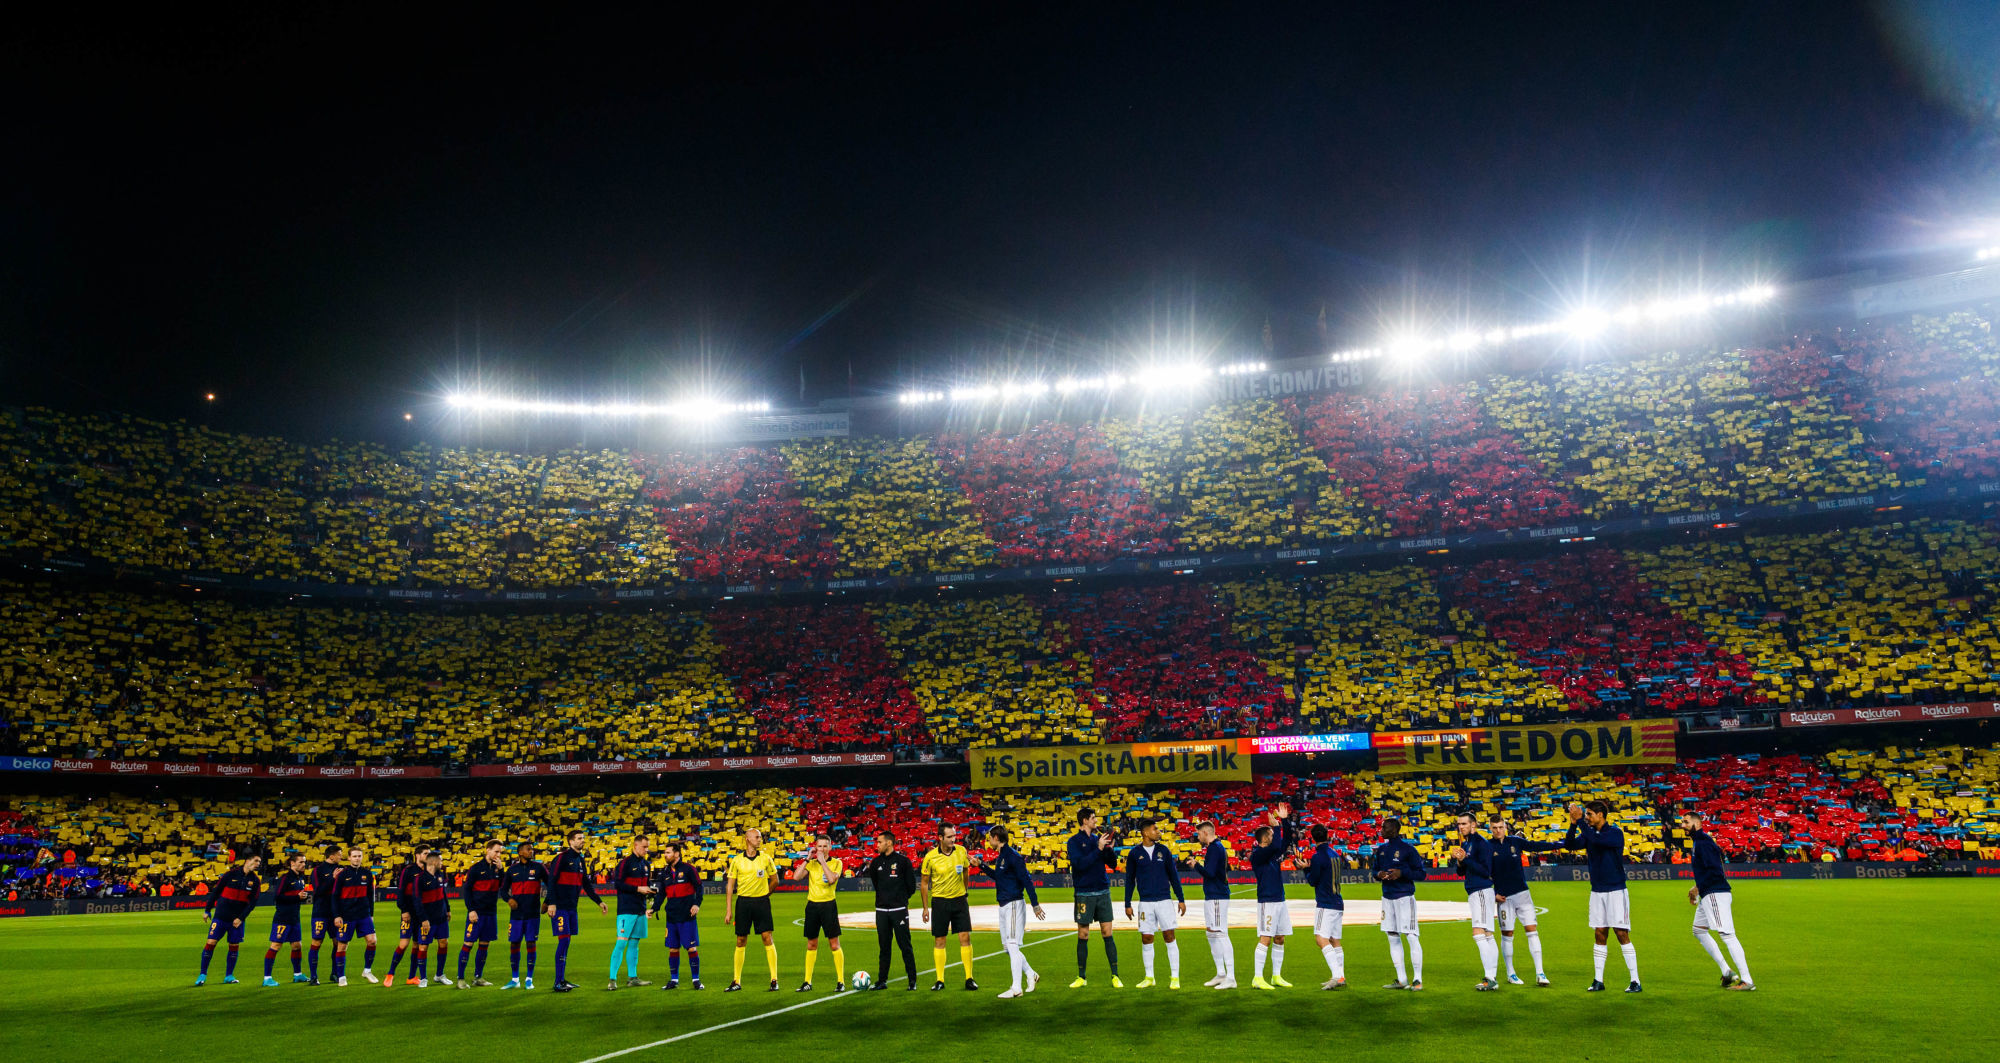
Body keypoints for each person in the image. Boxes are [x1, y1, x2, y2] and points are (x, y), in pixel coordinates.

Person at [1562, 800, 1639, 993]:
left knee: (1621, 933)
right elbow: (1569, 844)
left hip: (1615, 890)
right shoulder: (1589, 833)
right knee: (1599, 933)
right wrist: (1573, 824)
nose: (1587, 818)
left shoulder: (1614, 833)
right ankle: (1598, 980)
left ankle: (1635, 981)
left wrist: (1580, 822)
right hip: (1597, 890)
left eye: (1589, 814)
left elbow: (1596, 841)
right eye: (1585, 814)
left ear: (1600, 815)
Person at [1679, 809, 1755, 991]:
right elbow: (1708, 869)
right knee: (1698, 930)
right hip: (1708, 893)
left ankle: (1747, 980)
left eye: (1686, 822)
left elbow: (1715, 870)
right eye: (1682, 822)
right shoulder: (1699, 842)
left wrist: (1698, 887)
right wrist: (1696, 887)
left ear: (1697, 824)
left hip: (1715, 893)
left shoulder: (1703, 842)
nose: (1682, 826)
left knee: (1727, 935)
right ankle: (1726, 970)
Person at [1490, 816, 1561, 986]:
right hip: (1503, 898)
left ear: (1505, 826)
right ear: (1490, 829)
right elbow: (1482, 872)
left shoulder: (1516, 842)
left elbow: (1536, 846)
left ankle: (1540, 973)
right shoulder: (1487, 847)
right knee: (1508, 934)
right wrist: (1493, 895)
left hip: (1522, 894)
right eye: (1494, 828)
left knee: (1532, 930)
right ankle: (1510, 973)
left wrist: (1560, 844)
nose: (1498, 830)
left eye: (1501, 827)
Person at [975, 825, 1044, 999]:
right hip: (1004, 905)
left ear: (997, 838)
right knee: (1008, 947)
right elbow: (999, 877)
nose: (988, 840)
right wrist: (981, 865)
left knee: (1012, 945)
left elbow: (1027, 881)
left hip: (1014, 904)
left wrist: (1035, 904)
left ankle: (1016, 988)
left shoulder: (1012, 856)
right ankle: (1030, 974)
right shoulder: (1002, 856)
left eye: (990, 837)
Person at [1122, 817, 1185, 989]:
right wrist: (1127, 903)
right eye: (1155, 829)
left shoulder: (1164, 851)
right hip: (1145, 903)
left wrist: (1181, 899)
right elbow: (1129, 880)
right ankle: (1149, 977)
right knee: (1147, 938)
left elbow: (1174, 876)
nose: (1158, 832)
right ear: (1145, 832)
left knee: (1169, 936)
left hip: (1164, 900)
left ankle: (1174, 978)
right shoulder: (1134, 854)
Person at [546, 828, 609, 993]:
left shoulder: (580, 860)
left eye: (583, 838)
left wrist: (599, 901)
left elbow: (586, 884)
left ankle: (562, 979)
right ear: (571, 841)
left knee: (567, 942)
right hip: (560, 907)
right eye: (579, 838)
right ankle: (557, 982)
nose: (583, 840)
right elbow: (551, 880)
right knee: (564, 941)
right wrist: (551, 903)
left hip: (572, 908)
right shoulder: (561, 858)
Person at [856, 830, 919, 990]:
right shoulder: (876, 863)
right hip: (881, 911)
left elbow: (911, 886)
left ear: (889, 843)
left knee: (905, 945)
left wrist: (900, 900)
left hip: (899, 910)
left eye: (879, 842)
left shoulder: (903, 862)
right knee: (884, 947)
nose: (876, 845)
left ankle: (912, 981)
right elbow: (877, 885)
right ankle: (881, 980)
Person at [1065, 807, 1120, 987]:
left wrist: (1109, 849)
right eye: (1093, 818)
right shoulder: (1073, 842)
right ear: (1084, 821)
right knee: (1083, 934)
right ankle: (1081, 977)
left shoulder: (1099, 840)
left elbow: (1112, 864)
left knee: (1107, 932)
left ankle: (1115, 975)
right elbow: (1079, 865)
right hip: (1084, 892)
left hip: (1102, 890)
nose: (1096, 821)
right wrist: (1098, 849)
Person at [919, 823, 976, 991]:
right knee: (940, 940)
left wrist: (965, 891)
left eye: (954, 836)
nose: (953, 839)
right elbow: (924, 884)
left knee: (965, 937)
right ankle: (940, 980)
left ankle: (969, 978)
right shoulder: (930, 857)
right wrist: (925, 908)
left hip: (959, 900)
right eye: (950, 837)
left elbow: (966, 871)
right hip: (940, 902)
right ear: (940, 838)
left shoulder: (961, 851)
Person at [1179, 820, 1235, 989]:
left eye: (1199, 833)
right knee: (1212, 932)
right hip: (1213, 895)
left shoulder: (1214, 848)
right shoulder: (1216, 848)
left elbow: (1210, 873)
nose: (1198, 836)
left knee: (1220, 933)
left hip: (1217, 895)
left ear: (1205, 832)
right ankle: (1221, 974)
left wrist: (1196, 865)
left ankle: (1231, 977)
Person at [1372, 816, 1426, 990]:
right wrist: (1379, 875)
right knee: (1392, 936)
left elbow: (1421, 873)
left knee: (1410, 935)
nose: (1381, 829)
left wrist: (1401, 873)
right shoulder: (1380, 850)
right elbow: (1374, 871)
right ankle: (1402, 979)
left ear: (1393, 830)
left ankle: (1417, 979)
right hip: (1387, 897)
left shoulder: (1408, 850)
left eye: (1384, 827)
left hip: (1404, 897)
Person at [723, 826, 781, 992]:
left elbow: (775, 880)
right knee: (741, 940)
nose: (759, 839)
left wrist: (765, 894)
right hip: (743, 903)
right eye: (756, 837)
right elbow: (730, 886)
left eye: (760, 837)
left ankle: (774, 979)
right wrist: (728, 910)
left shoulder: (766, 858)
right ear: (748, 839)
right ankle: (736, 981)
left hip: (761, 902)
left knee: (766, 937)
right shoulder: (737, 860)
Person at [1247, 802, 1295, 990]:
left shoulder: (1272, 853)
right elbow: (1277, 845)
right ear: (1264, 838)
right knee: (1265, 937)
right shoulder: (1258, 854)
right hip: (1267, 901)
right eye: (1271, 833)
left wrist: (1284, 822)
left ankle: (1276, 976)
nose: (1274, 835)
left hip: (1279, 900)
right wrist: (1276, 824)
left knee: (1280, 937)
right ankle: (1257, 978)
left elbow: (1287, 840)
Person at [789, 833, 845, 992]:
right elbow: (796, 877)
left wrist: (821, 861)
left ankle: (840, 981)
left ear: (830, 847)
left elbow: (832, 879)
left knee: (834, 944)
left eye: (825, 846)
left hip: (828, 905)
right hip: (812, 906)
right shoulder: (811, 863)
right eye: (819, 846)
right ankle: (807, 982)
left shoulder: (836, 863)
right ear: (816, 847)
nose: (822, 849)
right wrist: (808, 858)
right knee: (811, 944)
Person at [196, 851, 262, 986]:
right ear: (247, 861)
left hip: (237, 920)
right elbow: (216, 892)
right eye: (256, 861)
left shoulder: (255, 881)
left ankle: (229, 975)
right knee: (211, 942)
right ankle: (202, 974)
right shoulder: (230, 875)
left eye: (259, 862)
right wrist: (207, 910)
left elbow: (252, 903)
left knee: (234, 946)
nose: (258, 864)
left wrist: (241, 918)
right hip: (220, 916)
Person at [1451, 812, 1501, 991]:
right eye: (1459, 824)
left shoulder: (1481, 844)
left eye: (1464, 824)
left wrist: (1466, 859)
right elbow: (1461, 873)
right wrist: (1459, 861)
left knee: (1478, 932)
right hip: (1476, 890)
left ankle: (1489, 977)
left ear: (1473, 825)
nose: (1461, 827)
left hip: (1481, 890)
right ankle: (1492, 977)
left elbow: (1485, 870)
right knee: (1487, 934)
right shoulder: (1466, 843)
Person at [650, 840, 704, 989]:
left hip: (687, 916)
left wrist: (696, 904)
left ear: (677, 854)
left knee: (691, 948)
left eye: (668, 852)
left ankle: (696, 980)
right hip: (671, 917)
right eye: (665, 853)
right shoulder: (664, 873)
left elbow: (699, 888)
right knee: (673, 948)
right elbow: (661, 895)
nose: (665, 855)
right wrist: (654, 908)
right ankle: (674, 980)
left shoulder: (688, 869)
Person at [607, 834, 656, 990]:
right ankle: (612, 979)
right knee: (621, 943)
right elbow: (618, 884)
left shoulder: (646, 865)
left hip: (640, 910)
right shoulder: (625, 864)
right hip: (626, 910)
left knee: (634, 943)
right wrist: (637, 889)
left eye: (647, 847)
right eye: (644, 847)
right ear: (635, 845)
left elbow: (646, 887)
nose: (646, 850)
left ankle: (632, 977)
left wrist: (650, 901)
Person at [457, 839, 506, 987]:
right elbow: (466, 890)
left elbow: (503, 887)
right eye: (496, 851)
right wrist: (471, 910)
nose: (498, 854)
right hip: (476, 913)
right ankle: (460, 978)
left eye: (500, 852)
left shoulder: (498, 869)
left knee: (484, 944)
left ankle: (478, 977)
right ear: (488, 850)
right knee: (468, 944)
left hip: (491, 913)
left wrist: (502, 870)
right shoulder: (476, 869)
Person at [1302, 823, 1344, 990]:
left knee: (1321, 938)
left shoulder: (1318, 856)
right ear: (1327, 836)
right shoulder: (1335, 854)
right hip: (1337, 902)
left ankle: (1336, 976)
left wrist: (1306, 869)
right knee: (1335, 940)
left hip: (1325, 903)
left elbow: (1313, 880)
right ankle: (1341, 976)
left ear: (1313, 838)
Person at [502, 841, 549, 989]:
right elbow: (503, 890)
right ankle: (515, 979)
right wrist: (509, 899)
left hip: (532, 914)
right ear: (520, 852)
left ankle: (529, 978)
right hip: (516, 915)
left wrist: (547, 902)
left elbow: (551, 885)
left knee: (530, 943)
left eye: (532, 849)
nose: (531, 851)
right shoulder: (512, 870)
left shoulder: (539, 868)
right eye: (528, 849)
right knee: (514, 943)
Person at [330, 846, 379, 986]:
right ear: (349, 858)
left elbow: (371, 897)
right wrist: (337, 915)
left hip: (363, 914)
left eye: (359, 856)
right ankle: (341, 977)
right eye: (355, 856)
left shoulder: (368, 874)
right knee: (342, 946)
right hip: (347, 915)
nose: (357, 858)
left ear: (362, 858)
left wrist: (371, 915)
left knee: (372, 941)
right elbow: (335, 896)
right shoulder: (342, 875)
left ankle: (367, 970)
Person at [383, 846, 429, 988]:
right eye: (425, 853)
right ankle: (390, 974)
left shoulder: (430, 871)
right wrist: (404, 910)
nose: (428, 856)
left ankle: (411, 976)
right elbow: (401, 892)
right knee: (403, 944)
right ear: (417, 855)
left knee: (417, 945)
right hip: (409, 913)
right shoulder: (408, 871)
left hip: (422, 915)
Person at [262, 853, 309, 986]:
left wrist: (302, 897)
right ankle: (267, 978)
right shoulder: (285, 878)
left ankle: (298, 974)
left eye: (304, 862)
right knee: (276, 945)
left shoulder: (301, 878)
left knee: (296, 945)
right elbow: (277, 897)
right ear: (292, 863)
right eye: (300, 862)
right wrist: (297, 897)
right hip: (282, 918)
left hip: (294, 918)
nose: (303, 864)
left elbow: (296, 896)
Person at [307, 840, 343, 985]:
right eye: (339, 854)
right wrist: (332, 879)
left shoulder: (342, 869)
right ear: (332, 856)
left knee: (338, 943)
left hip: (336, 913)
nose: (341, 857)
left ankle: (334, 974)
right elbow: (318, 891)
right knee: (317, 942)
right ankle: (314, 976)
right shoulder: (318, 870)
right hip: (321, 912)